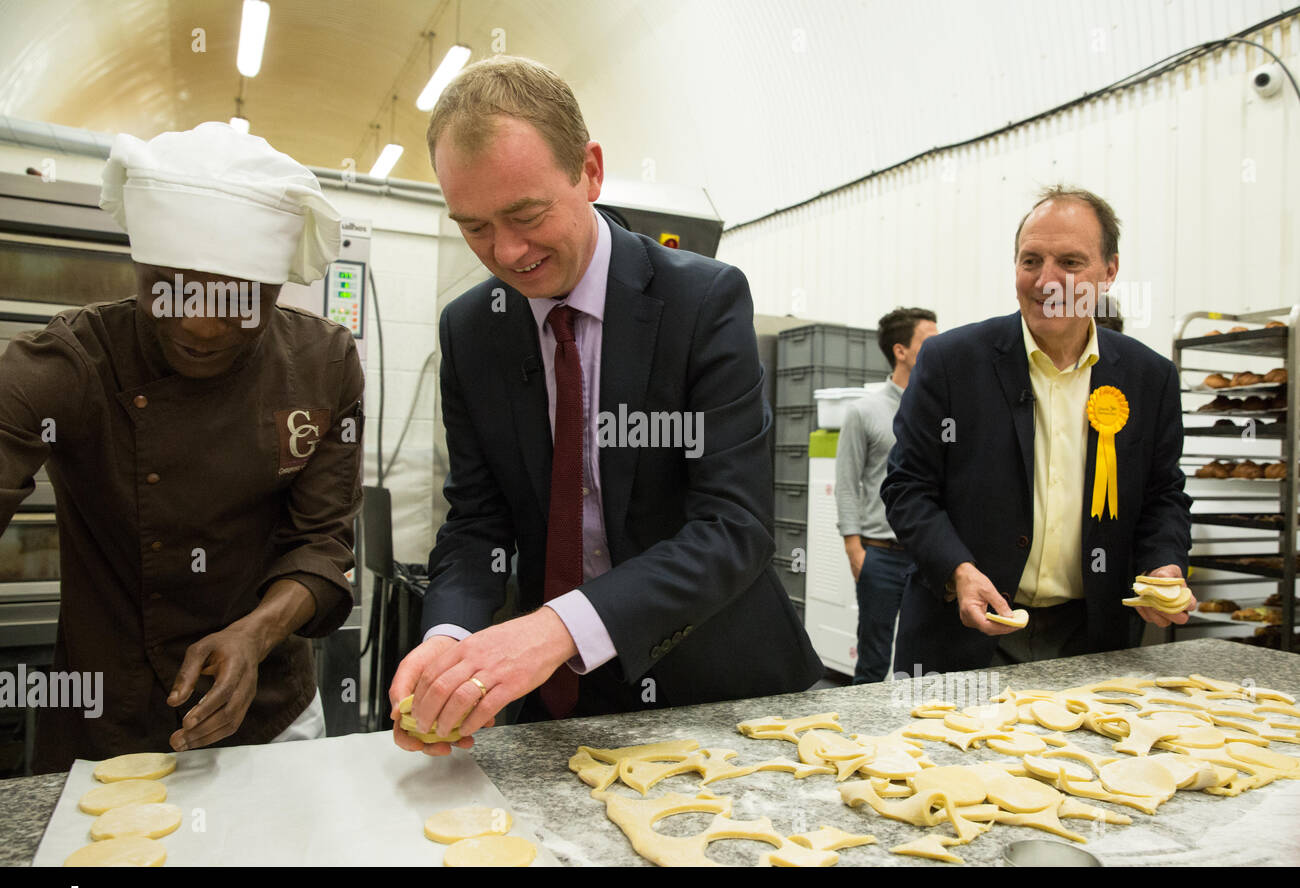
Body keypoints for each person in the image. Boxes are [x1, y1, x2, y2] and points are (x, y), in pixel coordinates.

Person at [390, 56, 821, 754]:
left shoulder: (701, 302)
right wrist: (451, 639)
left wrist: (557, 627)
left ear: (589, 170)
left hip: (718, 689)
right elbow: (477, 522)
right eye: (474, 227)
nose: (506, 251)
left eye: (526, 214)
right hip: (561, 700)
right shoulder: (472, 330)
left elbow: (732, 527)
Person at [0, 123, 362, 771]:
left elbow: (322, 543)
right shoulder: (74, 362)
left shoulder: (322, 365)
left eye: (238, 300)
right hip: (104, 718)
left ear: (278, 288)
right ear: (137, 267)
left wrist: (255, 635)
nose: (198, 323)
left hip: (269, 716)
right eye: (167, 288)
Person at [881, 185, 1193, 674]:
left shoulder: (1148, 378)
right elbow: (908, 487)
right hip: (966, 636)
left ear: (1109, 272)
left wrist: (1164, 565)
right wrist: (958, 571)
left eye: (1070, 263)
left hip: (1094, 639)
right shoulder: (952, 362)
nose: (1047, 281)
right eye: (1031, 261)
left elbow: (1163, 495)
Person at [836, 308, 937, 684]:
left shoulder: (939, 411)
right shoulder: (864, 412)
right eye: (929, 340)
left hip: (928, 557)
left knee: (921, 663)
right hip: (880, 554)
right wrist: (854, 549)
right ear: (901, 351)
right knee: (873, 663)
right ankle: (863, 739)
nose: (940, 346)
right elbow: (847, 483)